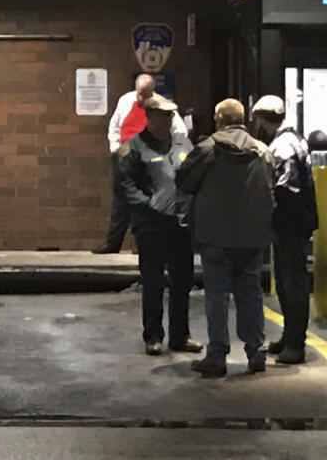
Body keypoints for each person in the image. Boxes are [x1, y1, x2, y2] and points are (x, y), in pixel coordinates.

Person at [176, 98, 275, 377]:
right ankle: (256, 352)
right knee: (251, 294)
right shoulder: (262, 151)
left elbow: (184, 180)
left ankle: (217, 356)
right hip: (253, 237)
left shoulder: (208, 149)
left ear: (219, 119)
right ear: (244, 120)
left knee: (217, 295)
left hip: (215, 236)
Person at [118, 94, 200, 356]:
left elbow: (193, 175)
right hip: (150, 225)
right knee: (153, 282)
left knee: (182, 281)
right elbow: (125, 184)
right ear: (150, 116)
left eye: (170, 116)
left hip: (180, 224)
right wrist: (147, 204)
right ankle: (153, 336)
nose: (167, 120)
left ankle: (180, 335)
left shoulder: (182, 143)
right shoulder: (133, 147)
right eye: (162, 116)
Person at [251, 95, 318, 365]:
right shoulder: (296, 138)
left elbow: (286, 189)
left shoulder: (282, 146)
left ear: (262, 118)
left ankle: (295, 344)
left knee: (293, 283)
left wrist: (273, 217)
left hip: (290, 225)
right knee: (287, 282)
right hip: (296, 223)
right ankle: (289, 337)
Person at [94, 74, 188, 254]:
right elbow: (114, 126)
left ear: (152, 90)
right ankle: (113, 242)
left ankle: (141, 243)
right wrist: (115, 147)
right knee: (120, 200)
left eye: (145, 94)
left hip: (150, 160)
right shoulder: (125, 101)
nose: (141, 98)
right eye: (139, 93)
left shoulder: (161, 106)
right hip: (124, 156)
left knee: (146, 201)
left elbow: (180, 131)